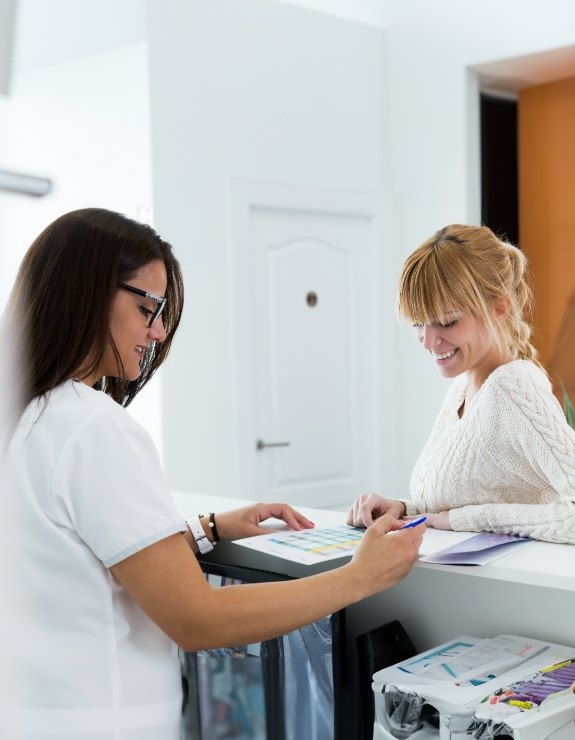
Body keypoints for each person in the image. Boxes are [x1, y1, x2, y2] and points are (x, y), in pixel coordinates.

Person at [0, 208, 423, 740]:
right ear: (85, 291)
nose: (155, 331)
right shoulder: (92, 429)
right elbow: (196, 619)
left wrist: (207, 529)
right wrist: (360, 577)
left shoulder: (25, 416)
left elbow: (70, 559)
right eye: (146, 307)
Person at [347, 224, 575, 544]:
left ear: (499, 307)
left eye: (447, 321)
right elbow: (463, 503)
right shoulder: (464, 388)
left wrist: (462, 520)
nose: (428, 340)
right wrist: (401, 509)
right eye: (418, 323)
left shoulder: (511, 388)